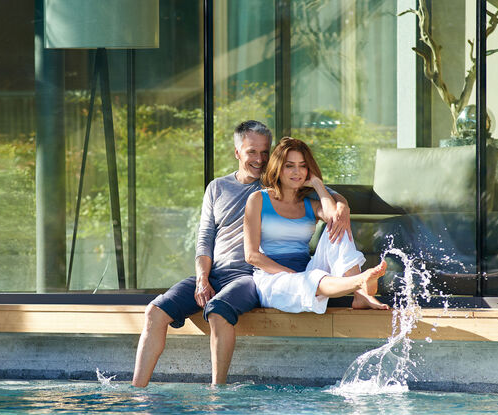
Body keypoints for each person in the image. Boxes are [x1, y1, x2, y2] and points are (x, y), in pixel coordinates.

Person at [132, 121, 352, 387]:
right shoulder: (217, 188)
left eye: (264, 152)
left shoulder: (276, 183)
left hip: (251, 276)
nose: (259, 159)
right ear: (237, 152)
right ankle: (137, 391)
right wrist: (202, 278)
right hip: (214, 273)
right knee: (154, 312)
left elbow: (333, 198)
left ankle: (218, 390)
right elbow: (204, 239)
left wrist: (343, 209)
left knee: (218, 309)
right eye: (252, 152)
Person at [244, 136, 390, 314]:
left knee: (337, 225)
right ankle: (358, 282)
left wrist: (318, 184)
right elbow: (252, 256)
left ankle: (360, 295)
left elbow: (332, 216)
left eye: (303, 165)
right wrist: (295, 276)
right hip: (273, 279)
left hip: (307, 270)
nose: (297, 172)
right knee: (310, 279)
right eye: (289, 165)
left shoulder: (309, 204)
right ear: (278, 168)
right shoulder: (258, 199)